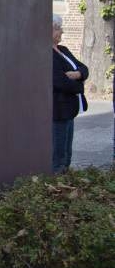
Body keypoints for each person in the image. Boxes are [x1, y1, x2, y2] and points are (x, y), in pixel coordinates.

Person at [52, 14, 88, 174]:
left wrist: (77, 75)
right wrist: (80, 84)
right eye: (59, 28)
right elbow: (59, 81)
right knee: (58, 155)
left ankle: (65, 184)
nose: (62, 31)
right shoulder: (47, 54)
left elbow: (84, 68)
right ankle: (56, 186)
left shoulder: (63, 50)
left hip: (69, 110)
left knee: (67, 153)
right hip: (58, 110)